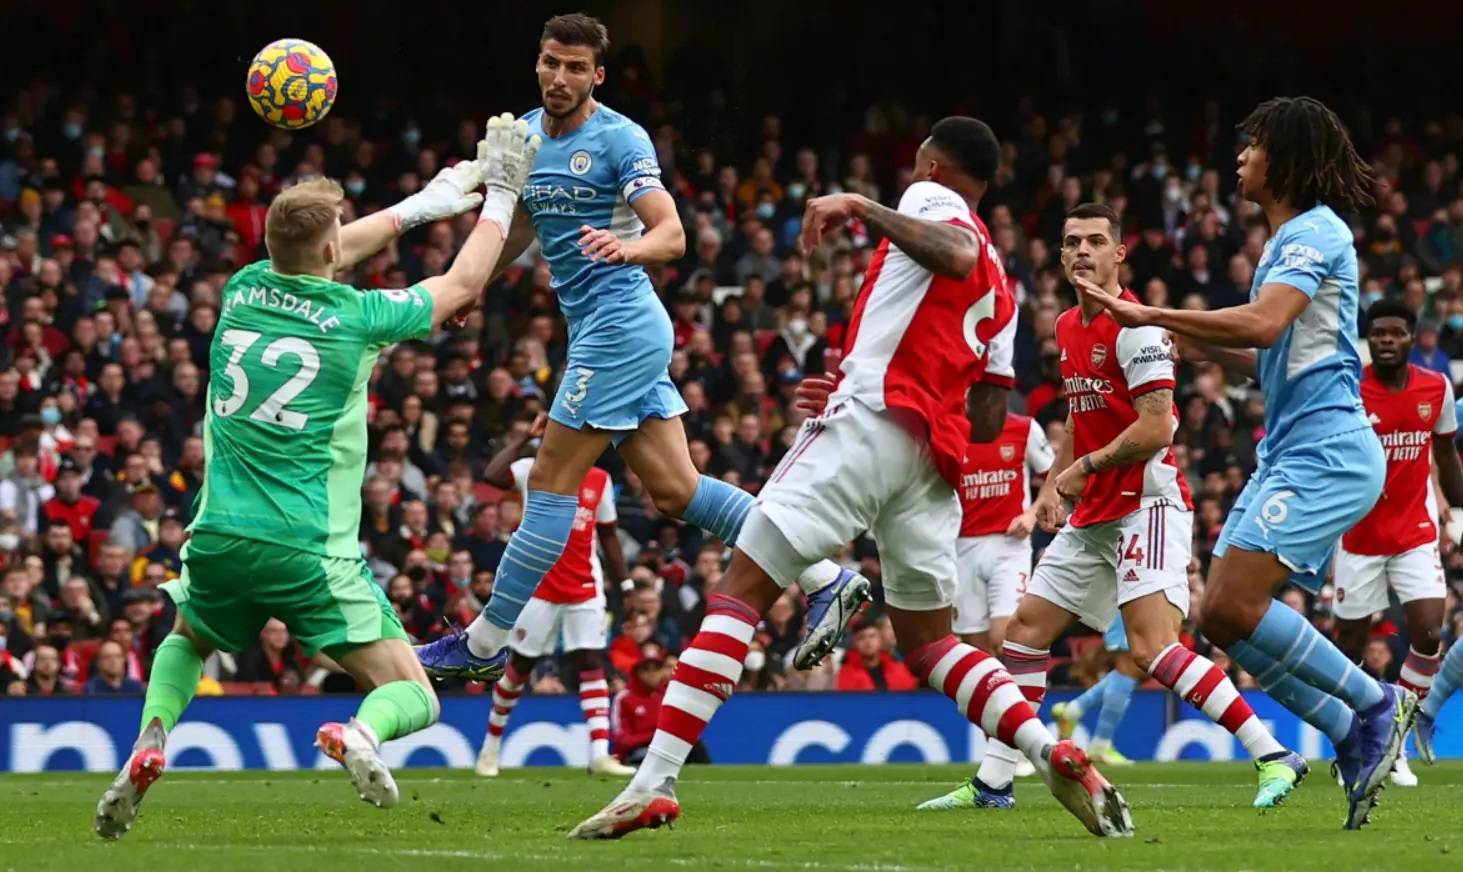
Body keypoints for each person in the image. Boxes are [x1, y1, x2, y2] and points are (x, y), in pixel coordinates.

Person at [571, 117, 1133, 840]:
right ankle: (1047, 750)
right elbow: (989, 417)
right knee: (931, 644)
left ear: (931, 165)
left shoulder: (930, 201)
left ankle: (652, 783)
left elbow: (955, 252)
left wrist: (861, 205)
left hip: (870, 421)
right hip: (932, 463)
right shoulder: (1007, 287)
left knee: (742, 588)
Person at [93, 114, 541, 839]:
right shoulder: (360, 317)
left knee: (189, 635)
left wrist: (424, 205)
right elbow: (462, 282)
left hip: (217, 534)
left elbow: (321, 248)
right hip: (307, 547)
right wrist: (503, 194)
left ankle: (150, 739)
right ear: (331, 248)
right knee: (414, 692)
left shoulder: (241, 289)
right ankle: (360, 733)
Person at [415, 13, 865, 684]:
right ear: (537, 63)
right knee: (678, 491)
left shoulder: (620, 138)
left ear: (597, 75)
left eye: (575, 68)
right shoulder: (524, 137)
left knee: (549, 482)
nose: (559, 77)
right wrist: (474, 286)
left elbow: (672, 233)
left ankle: (483, 642)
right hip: (601, 329)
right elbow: (524, 224)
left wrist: (629, 247)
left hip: (620, 326)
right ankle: (825, 577)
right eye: (550, 63)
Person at [1077, 96, 1412, 830]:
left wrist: (1152, 314)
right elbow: (1265, 354)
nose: (1240, 157)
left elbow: (1262, 324)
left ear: (1282, 158)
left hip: (1326, 449)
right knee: (1219, 617)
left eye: (1252, 145)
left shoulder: (1314, 232)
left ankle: (1373, 704)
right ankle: (1350, 727)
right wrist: (1188, 345)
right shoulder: (1285, 240)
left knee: (1232, 605)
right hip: (1291, 449)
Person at [921, 203, 1301, 815]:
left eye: (1096, 241)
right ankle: (994, 783)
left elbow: (1156, 427)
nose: (1082, 251)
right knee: (1024, 633)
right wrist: (1053, 486)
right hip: (1094, 511)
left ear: (1119, 254)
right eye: (1072, 241)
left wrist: (1083, 469)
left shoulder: (1138, 330)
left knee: (1151, 650)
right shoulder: (1067, 325)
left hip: (1146, 504)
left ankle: (1273, 753)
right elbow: (1079, 416)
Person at [1335, 299, 1463, 787]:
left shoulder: (1436, 387)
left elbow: (1446, 453)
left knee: (1429, 630)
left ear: (1412, 338)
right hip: (1359, 534)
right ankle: (1354, 743)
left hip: (1414, 532)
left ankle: (1395, 741)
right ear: (1369, 340)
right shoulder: (1349, 389)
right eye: (1378, 333)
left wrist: (1458, 505)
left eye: (1396, 332)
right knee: (1349, 646)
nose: (1386, 340)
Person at [472, 411, 636, 779]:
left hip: (584, 585)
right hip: (538, 585)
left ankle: (600, 753)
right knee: (520, 666)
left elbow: (608, 535)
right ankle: (490, 747)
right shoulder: (535, 468)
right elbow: (492, 475)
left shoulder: (599, 480)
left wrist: (625, 584)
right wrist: (523, 439)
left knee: (590, 661)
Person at [949, 411, 1053, 654]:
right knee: (975, 650)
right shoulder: (950, 428)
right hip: (961, 548)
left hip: (1010, 546)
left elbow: (1055, 476)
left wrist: (1032, 514)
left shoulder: (1024, 428)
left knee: (1006, 639)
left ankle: (1023, 680)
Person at [1051, 619, 1143, 765]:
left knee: (1138, 668)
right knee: (1129, 666)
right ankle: (1101, 744)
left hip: (1149, 610)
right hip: (1130, 609)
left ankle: (1071, 711)